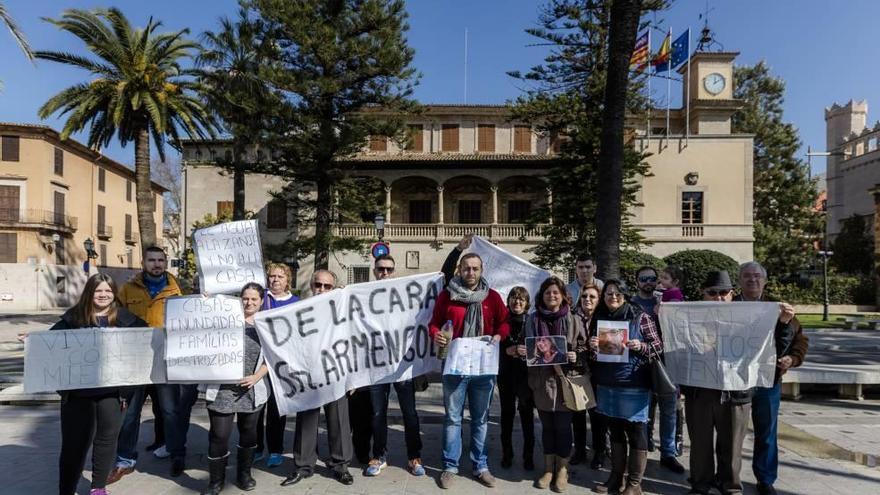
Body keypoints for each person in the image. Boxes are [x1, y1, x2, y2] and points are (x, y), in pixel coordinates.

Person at [49, 273, 147, 495]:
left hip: (112, 394)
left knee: (106, 442)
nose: (103, 295)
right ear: (89, 293)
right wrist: (32, 339)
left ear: (114, 294)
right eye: (98, 290)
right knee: (74, 445)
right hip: (77, 395)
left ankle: (98, 488)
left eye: (108, 291)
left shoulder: (127, 320)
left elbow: (148, 339)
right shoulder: (73, 319)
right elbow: (49, 343)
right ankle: (67, 490)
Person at [430, 251, 510, 489]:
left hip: (484, 368)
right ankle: (450, 466)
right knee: (453, 418)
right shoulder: (447, 296)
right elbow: (433, 323)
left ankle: (480, 465)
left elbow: (505, 322)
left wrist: (499, 334)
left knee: (480, 418)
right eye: (467, 268)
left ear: (481, 270)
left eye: (475, 269)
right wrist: (436, 335)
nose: (471, 273)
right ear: (460, 270)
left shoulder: (492, 297)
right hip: (455, 366)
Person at [108, 246, 186, 482]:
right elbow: (113, 317)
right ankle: (125, 461)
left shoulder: (178, 290)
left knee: (171, 411)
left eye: (161, 260)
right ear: (143, 262)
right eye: (152, 260)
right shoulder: (127, 289)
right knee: (129, 414)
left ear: (166, 262)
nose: (157, 264)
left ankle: (177, 454)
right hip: (134, 361)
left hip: (166, 360)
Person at [736, 262, 808, 495]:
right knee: (731, 433)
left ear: (765, 281)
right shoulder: (728, 306)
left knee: (766, 433)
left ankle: (765, 479)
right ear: (739, 281)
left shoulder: (778, 309)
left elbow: (800, 340)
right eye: (747, 276)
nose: (752, 280)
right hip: (735, 380)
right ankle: (727, 476)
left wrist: (792, 359)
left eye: (757, 276)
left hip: (768, 380)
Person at [282, 270, 355, 487]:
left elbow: (353, 344)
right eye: (318, 284)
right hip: (307, 375)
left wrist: (352, 377)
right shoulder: (297, 311)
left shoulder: (343, 312)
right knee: (306, 421)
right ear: (311, 285)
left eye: (327, 286)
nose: (321, 289)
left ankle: (340, 466)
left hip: (336, 373)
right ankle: (303, 466)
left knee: (339, 421)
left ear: (334, 288)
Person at [590, 280, 662, 495]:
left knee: (637, 431)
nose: (613, 296)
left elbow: (658, 347)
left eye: (617, 293)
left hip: (634, 384)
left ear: (625, 295)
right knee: (615, 431)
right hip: (607, 383)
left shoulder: (641, 317)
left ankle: (634, 483)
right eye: (609, 293)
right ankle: (616, 478)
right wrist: (593, 346)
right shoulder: (600, 318)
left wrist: (641, 346)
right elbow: (595, 355)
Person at [684, 271, 751, 495]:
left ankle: (730, 486)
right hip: (700, 392)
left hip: (734, 393)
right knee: (700, 444)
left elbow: (768, 344)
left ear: (732, 294)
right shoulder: (689, 319)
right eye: (712, 293)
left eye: (724, 292)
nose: (719, 297)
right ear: (703, 294)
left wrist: (784, 323)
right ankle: (701, 484)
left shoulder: (747, 318)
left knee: (732, 446)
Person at [518, 277, 586, 492]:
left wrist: (577, 355)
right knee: (547, 426)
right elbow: (525, 346)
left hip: (565, 380)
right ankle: (548, 469)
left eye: (556, 292)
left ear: (563, 295)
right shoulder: (532, 319)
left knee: (563, 427)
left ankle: (562, 470)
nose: (552, 296)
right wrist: (523, 352)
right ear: (542, 295)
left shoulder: (573, 319)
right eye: (548, 292)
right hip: (541, 381)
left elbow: (585, 347)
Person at [204, 282, 270, 494]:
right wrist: (204, 303)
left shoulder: (266, 325)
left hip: (252, 389)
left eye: (254, 299)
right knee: (219, 435)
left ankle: (244, 474)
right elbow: (200, 334)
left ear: (261, 302)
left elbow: (274, 356)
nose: (249, 302)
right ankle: (216, 481)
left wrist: (256, 377)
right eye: (245, 298)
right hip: (221, 389)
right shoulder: (224, 320)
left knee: (249, 434)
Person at [364, 255, 426, 477]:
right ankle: (378, 456)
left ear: (394, 271)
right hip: (376, 366)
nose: (385, 273)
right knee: (378, 413)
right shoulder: (364, 294)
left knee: (410, 413)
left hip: (403, 365)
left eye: (389, 269)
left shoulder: (403, 294)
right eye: (381, 269)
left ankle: (414, 457)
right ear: (374, 270)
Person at [630, 266, 685, 474]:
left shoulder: (669, 300)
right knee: (642, 409)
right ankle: (641, 449)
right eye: (643, 278)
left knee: (669, 409)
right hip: (640, 363)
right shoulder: (631, 304)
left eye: (653, 278)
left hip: (668, 362)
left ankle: (668, 453)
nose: (648, 282)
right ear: (637, 281)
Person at [255, 263, 300, 468]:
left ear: (287, 280)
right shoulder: (259, 298)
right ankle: (255, 448)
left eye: (280, 277)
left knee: (276, 410)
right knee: (255, 408)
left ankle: (275, 449)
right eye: (271, 276)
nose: (275, 280)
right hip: (256, 362)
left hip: (279, 365)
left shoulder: (295, 303)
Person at [498, 286, 535, 471]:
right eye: (513, 298)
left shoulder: (532, 321)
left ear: (527, 303)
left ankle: (528, 456)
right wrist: (506, 350)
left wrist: (528, 352)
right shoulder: (502, 321)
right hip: (505, 376)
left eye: (521, 299)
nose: (517, 302)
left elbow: (541, 347)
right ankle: (507, 453)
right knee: (506, 416)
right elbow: (494, 345)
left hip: (526, 378)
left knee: (527, 417)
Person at [572, 284, 608, 469]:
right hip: (578, 372)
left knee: (597, 416)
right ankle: (579, 450)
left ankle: (599, 452)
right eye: (584, 296)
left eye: (592, 297)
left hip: (600, 373)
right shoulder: (572, 318)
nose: (587, 299)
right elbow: (569, 343)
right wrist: (585, 347)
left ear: (598, 299)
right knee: (578, 413)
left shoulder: (605, 318)